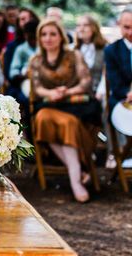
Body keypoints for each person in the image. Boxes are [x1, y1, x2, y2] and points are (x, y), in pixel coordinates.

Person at [28, 18, 100, 203]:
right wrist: (51, 93)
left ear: (61, 36)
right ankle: (78, 172)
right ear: (39, 38)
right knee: (42, 119)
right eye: (44, 34)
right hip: (49, 105)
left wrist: (67, 91)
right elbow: (36, 88)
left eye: (53, 34)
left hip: (75, 106)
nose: (48, 38)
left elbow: (86, 81)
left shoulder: (74, 55)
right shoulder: (36, 60)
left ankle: (75, 179)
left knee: (67, 123)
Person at [104, 9, 132, 115]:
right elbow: (116, 85)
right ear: (119, 24)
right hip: (123, 98)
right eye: (126, 27)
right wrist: (128, 94)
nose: (131, 32)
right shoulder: (111, 50)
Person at [75, 14, 107, 96]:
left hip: (98, 92)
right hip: (76, 92)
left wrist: (101, 91)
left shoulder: (105, 48)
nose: (81, 29)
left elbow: (106, 74)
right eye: (78, 25)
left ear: (94, 28)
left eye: (86, 25)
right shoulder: (72, 49)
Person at [8, 20, 39, 105]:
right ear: (25, 35)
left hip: (42, 79)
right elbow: (13, 71)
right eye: (30, 38)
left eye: (35, 38)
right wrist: (25, 75)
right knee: (24, 97)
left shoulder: (43, 48)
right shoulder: (21, 49)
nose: (33, 41)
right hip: (25, 79)